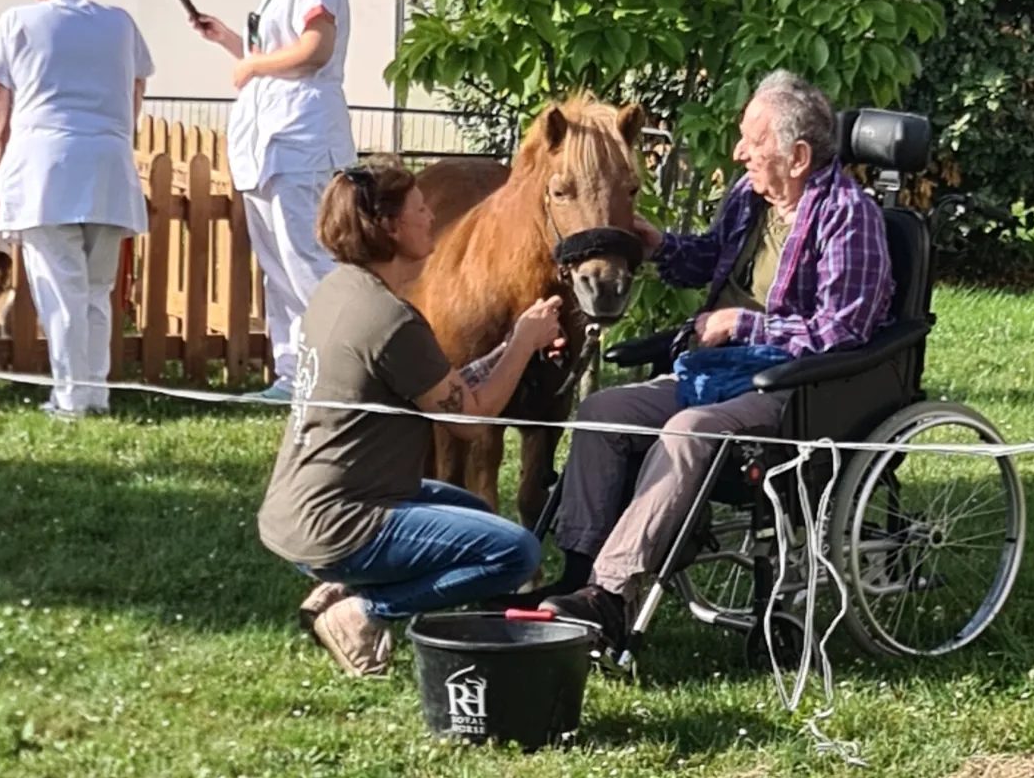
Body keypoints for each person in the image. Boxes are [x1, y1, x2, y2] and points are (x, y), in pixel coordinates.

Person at [544, 71, 893, 650]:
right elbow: (710, 260)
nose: (739, 153)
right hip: (714, 375)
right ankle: (579, 573)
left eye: (753, 142)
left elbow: (844, 331)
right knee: (604, 412)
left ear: (798, 156)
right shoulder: (750, 199)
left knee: (687, 431)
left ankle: (610, 593)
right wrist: (657, 245)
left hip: (792, 389)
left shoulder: (848, 218)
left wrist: (743, 324)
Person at [259, 159, 564, 679]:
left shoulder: (340, 292)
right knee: (514, 552)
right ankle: (364, 610)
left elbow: (441, 387)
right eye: (421, 210)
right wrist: (525, 345)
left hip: (298, 508)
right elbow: (468, 420)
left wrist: (515, 342)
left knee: (474, 513)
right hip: (341, 522)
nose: (432, 220)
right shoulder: (391, 320)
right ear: (389, 227)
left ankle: (353, 584)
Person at [0, 0, 154, 419]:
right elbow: (136, 89)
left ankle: (71, 400)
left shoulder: (19, 21)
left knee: (61, 289)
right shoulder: (119, 24)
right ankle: (95, 395)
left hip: (47, 168)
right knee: (95, 290)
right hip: (109, 165)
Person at [189, 0, 356, 401]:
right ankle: (293, 375)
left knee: (308, 258)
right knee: (279, 267)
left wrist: (252, 64)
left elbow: (314, 48)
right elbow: (270, 56)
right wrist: (229, 43)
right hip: (270, 143)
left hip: (301, 139)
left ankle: (337, 375)